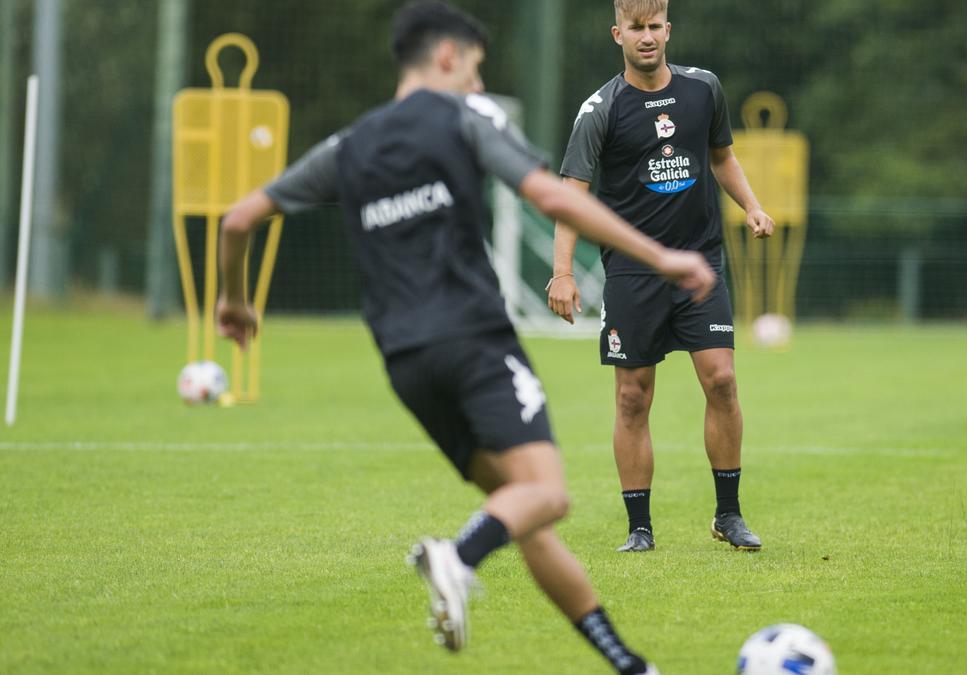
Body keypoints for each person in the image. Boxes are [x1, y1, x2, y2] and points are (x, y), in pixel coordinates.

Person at [215, 3, 716, 673]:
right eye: (475, 69)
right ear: (447, 58)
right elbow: (555, 196)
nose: (480, 87)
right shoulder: (464, 120)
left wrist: (234, 299)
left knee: (522, 509)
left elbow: (239, 218)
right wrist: (662, 257)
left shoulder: (348, 147)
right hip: (476, 344)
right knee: (549, 494)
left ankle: (627, 662)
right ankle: (456, 556)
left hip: (405, 363)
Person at [547, 0, 774, 553]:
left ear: (668, 30)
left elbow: (722, 157)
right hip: (631, 271)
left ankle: (728, 515)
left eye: (654, 27)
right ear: (616, 33)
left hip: (700, 263)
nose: (645, 37)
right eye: (635, 28)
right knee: (632, 397)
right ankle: (639, 529)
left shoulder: (704, 89)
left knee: (721, 379)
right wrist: (562, 273)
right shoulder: (600, 108)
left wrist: (752, 205)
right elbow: (571, 195)